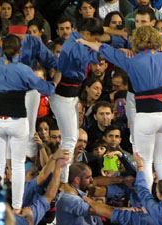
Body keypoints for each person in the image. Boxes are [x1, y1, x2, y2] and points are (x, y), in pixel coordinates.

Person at [77, 25, 162, 191]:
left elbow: (104, 49)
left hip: (146, 117)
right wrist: (159, 39)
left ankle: (148, 202)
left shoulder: (131, 58)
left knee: (145, 162)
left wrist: (85, 41)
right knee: (160, 160)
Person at [0, 34, 61, 211]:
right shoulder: (24, 69)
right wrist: (55, 80)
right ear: (19, 51)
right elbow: (46, 89)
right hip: (17, 122)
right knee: (17, 165)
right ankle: (16, 207)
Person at [49, 18, 104, 183]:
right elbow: (94, 58)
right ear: (87, 34)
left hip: (70, 96)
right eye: (94, 38)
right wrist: (101, 49)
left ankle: (64, 178)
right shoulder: (76, 46)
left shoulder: (75, 39)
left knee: (71, 137)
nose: (95, 42)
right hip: (63, 96)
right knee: (70, 139)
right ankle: (62, 180)